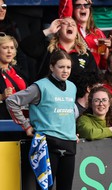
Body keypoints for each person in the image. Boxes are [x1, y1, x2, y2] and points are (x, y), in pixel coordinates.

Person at [6, 50, 78, 190]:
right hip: (47, 144)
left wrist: (72, 130)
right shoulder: (39, 86)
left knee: (66, 187)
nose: (65, 71)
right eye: (61, 67)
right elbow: (12, 101)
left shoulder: (72, 87)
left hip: (69, 144)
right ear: (51, 67)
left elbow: (68, 112)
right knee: (45, 188)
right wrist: (26, 125)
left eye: (68, 67)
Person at [19, 17, 98, 81]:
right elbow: (25, 45)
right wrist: (49, 30)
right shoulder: (48, 49)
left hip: (76, 98)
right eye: (65, 23)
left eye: (73, 24)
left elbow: (94, 77)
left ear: (77, 33)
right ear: (58, 30)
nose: (70, 25)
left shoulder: (85, 54)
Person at [0, 33, 28, 119]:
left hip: (22, 119)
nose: (9, 51)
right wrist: (2, 96)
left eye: (12, 48)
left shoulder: (18, 71)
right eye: (5, 48)